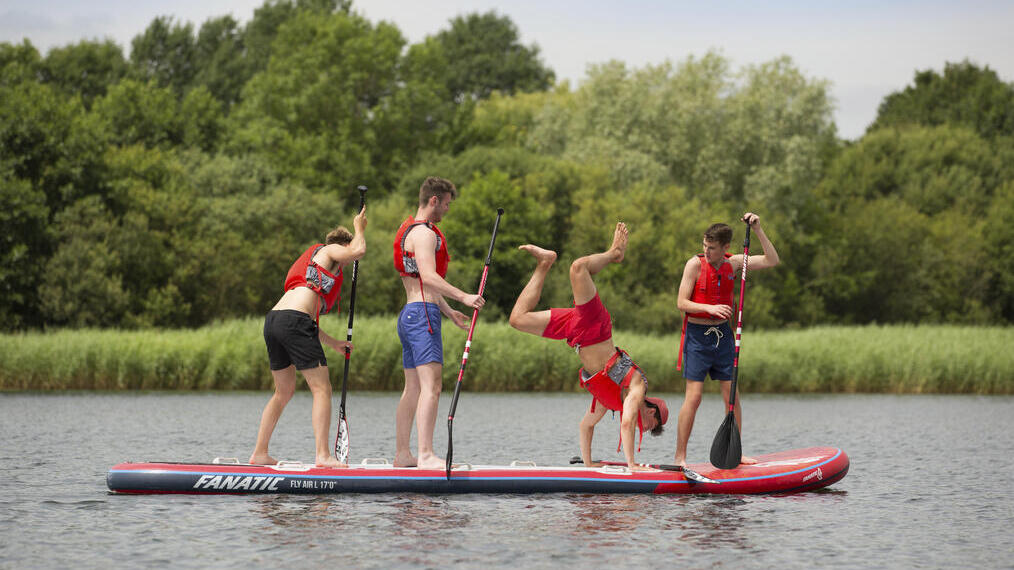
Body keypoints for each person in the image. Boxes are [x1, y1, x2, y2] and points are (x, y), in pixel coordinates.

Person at [509, 222, 669, 470]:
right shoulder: (638, 385)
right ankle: (614, 254)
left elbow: (587, 425)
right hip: (595, 327)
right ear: (653, 410)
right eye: (653, 424)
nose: (647, 428)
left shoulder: (611, 398)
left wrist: (588, 466)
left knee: (517, 319)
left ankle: (544, 263)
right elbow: (627, 424)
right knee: (578, 268)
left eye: (651, 430)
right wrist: (632, 465)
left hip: (576, 333)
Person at [250, 205, 367, 468]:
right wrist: (359, 228)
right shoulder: (331, 249)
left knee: (283, 391)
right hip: (292, 320)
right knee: (322, 389)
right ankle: (323, 455)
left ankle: (259, 453)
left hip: (275, 320)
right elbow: (357, 250)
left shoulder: (317, 275)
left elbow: (308, 322)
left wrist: (334, 342)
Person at [673, 212, 779, 468]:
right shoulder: (694, 265)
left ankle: (735, 453)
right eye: (704, 246)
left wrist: (758, 230)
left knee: (731, 395)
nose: (706, 251)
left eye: (711, 248)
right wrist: (709, 309)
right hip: (698, 337)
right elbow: (681, 303)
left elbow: (771, 260)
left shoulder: (735, 263)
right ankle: (680, 457)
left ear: (725, 248)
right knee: (694, 397)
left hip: (723, 338)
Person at [393, 177, 485, 469]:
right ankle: (426, 455)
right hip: (422, 318)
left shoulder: (408, 231)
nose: (447, 210)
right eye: (445, 204)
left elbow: (421, 283)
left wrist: (448, 311)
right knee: (431, 387)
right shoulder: (425, 235)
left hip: (410, 314)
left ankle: (403, 455)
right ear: (433, 200)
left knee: (413, 389)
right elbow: (430, 277)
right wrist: (464, 297)